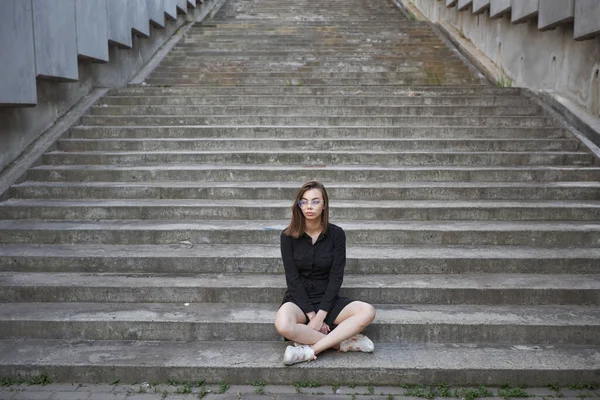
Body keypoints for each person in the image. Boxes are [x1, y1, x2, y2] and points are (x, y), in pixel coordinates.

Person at [274, 180, 376, 365]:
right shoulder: (287, 236)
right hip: (299, 299)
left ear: (324, 205)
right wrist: (312, 317)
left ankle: (310, 349)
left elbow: (336, 277)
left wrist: (321, 315)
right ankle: (340, 343)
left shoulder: (337, 234)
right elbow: (292, 278)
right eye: (303, 201)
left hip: (328, 299)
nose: (309, 207)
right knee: (282, 324)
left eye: (315, 201)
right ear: (298, 205)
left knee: (367, 311)